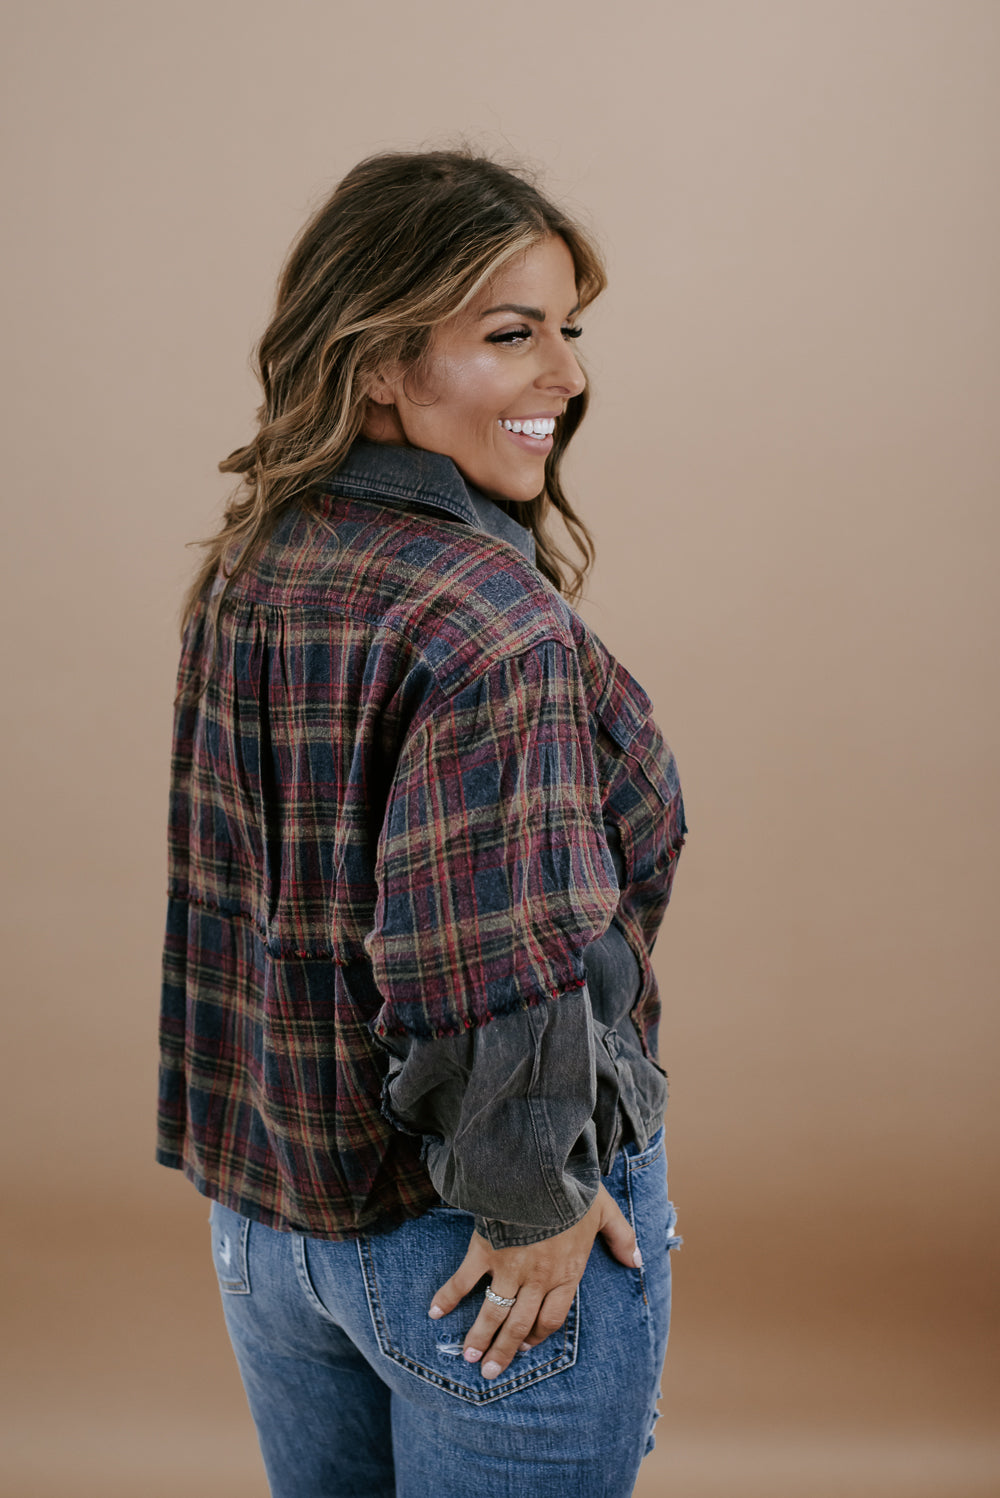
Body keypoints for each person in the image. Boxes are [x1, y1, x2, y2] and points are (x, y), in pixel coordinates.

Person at [158, 148, 687, 1498]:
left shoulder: (253, 564)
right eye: (511, 334)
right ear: (379, 363)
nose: (565, 374)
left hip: (270, 1227)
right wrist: (534, 1199)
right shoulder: (490, 624)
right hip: (469, 1248)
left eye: (568, 329)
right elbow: (488, 956)